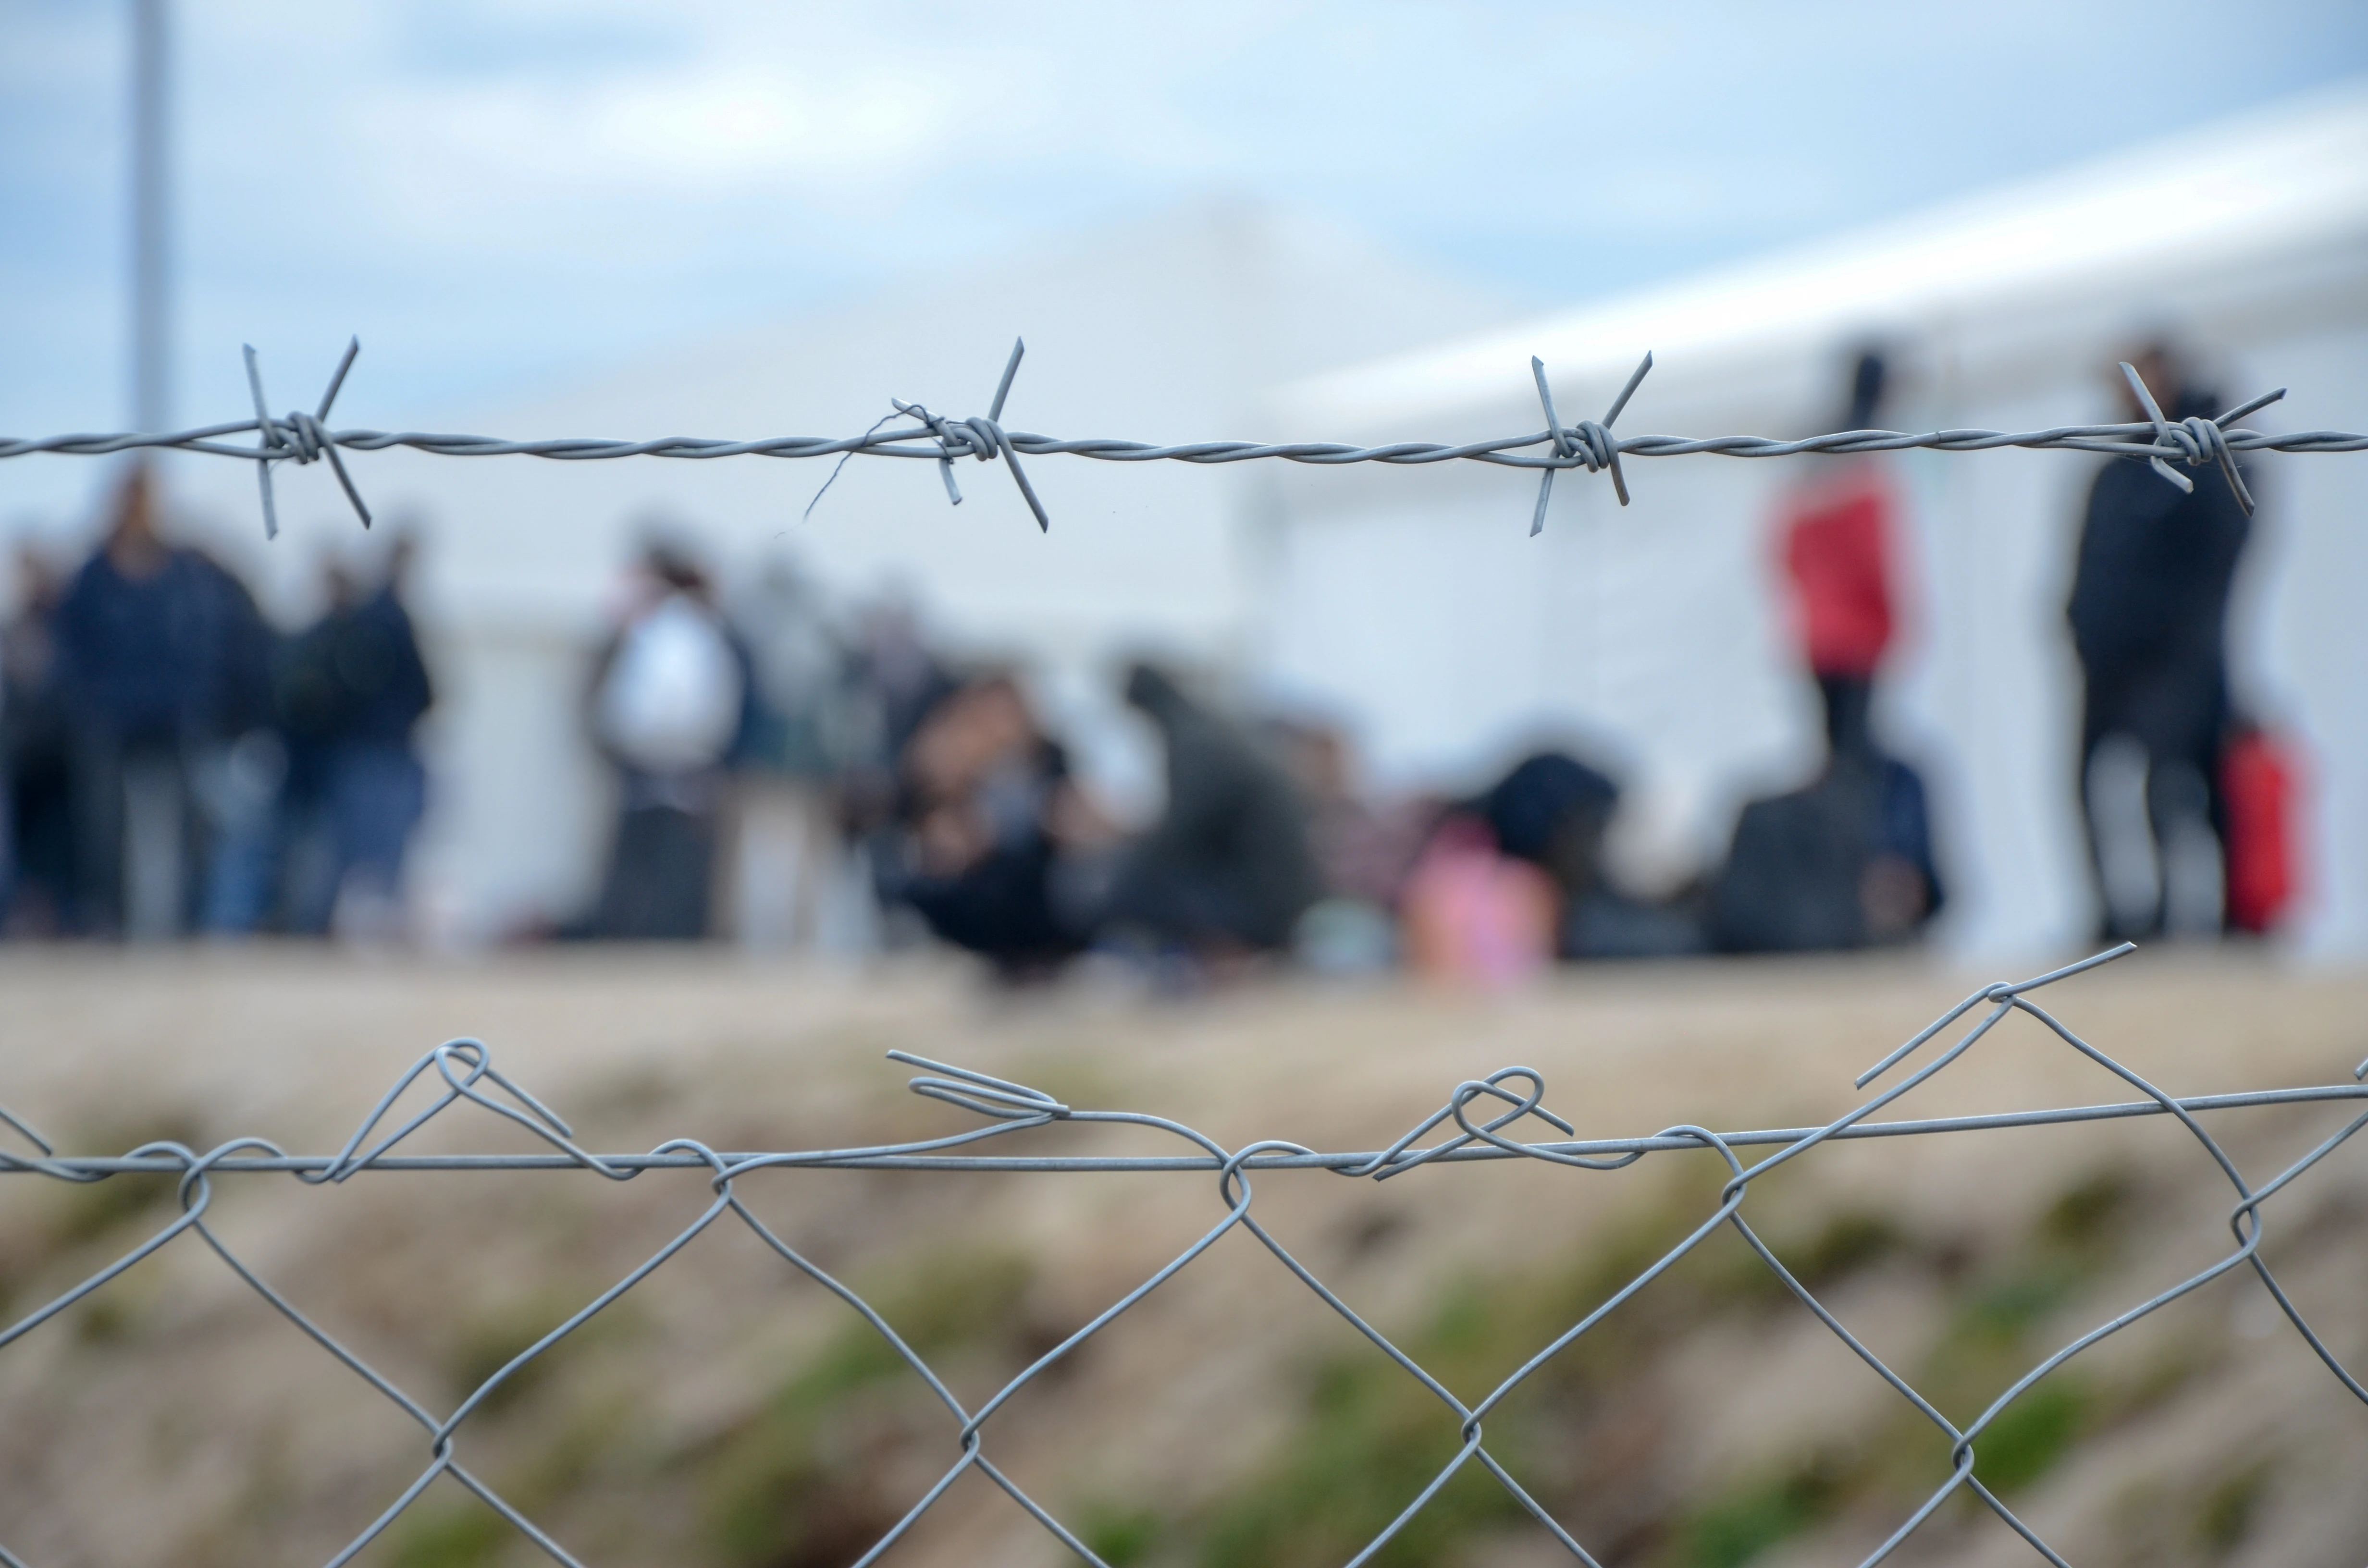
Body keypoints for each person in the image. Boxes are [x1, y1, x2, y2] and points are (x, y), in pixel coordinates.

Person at [1713, 352, 1942, 952]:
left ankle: (1841, 896)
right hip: (1859, 638)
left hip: (1816, 637)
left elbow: (1780, 549)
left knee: (1831, 769)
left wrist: (1811, 601)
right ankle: (1861, 899)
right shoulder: (1865, 460)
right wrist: (1895, 622)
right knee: (1858, 774)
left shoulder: (1810, 463)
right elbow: (1876, 560)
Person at [2067, 342, 2253, 939]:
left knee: (2173, 789)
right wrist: (2078, 624)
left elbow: (2221, 558)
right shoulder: (2118, 462)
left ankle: (2186, 918)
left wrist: (2178, 636)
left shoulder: (2211, 459)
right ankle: (2116, 920)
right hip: (2104, 659)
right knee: (2085, 783)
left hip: (2177, 660)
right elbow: (2088, 560)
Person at [52, 466, 267, 938]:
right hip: (109, 722)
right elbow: (70, 650)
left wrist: (199, 698)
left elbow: (208, 640)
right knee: (106, 831)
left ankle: (178, 926)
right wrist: (87, 706)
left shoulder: (184, 572)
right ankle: (113, 923)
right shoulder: (93, 576)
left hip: (177, 720)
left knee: (186, 829)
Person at [264, 539, 434, 937]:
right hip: (371, 756)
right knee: (367, 859)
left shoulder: (349, 630)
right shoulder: (375, 624)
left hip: (362, 754)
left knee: (356, 859)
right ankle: (344, 930)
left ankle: (345, 930)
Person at [583, 538, 751, 940]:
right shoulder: (690, 630)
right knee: (662, 859)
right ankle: (648, 930)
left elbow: (643, 703)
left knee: (659, 859)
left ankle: (646, 930)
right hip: (674, 759)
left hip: (665, 758)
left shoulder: (668, 631)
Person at [886, 672, 1102, 978]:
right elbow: (919, 812)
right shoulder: (964, 764)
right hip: (982, 880)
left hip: (1039, 873)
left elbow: (1068, 811)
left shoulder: (1050, 758)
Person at [1102, 662, 1320, 959]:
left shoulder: (1195, 742)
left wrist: (1124, 857)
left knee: (1124, 885)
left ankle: (1219, 954)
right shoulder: (1213, 728)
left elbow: (1180, 833)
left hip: (1260, 899)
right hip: (1276, 889)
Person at [2, 547, 75, 934]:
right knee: (28, 846)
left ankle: (58, 916)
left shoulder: (65, 625)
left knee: (59, 845)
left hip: (61, 754)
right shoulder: (16, 627)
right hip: (24, 756)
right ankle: (32, 915)